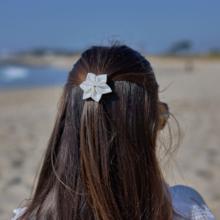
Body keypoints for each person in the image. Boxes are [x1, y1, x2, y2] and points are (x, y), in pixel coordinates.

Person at [12, 45, 215, 220]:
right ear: (147, 128)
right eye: (160, 114)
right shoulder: (188, 210)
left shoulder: (26, 216)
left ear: (67, 125)